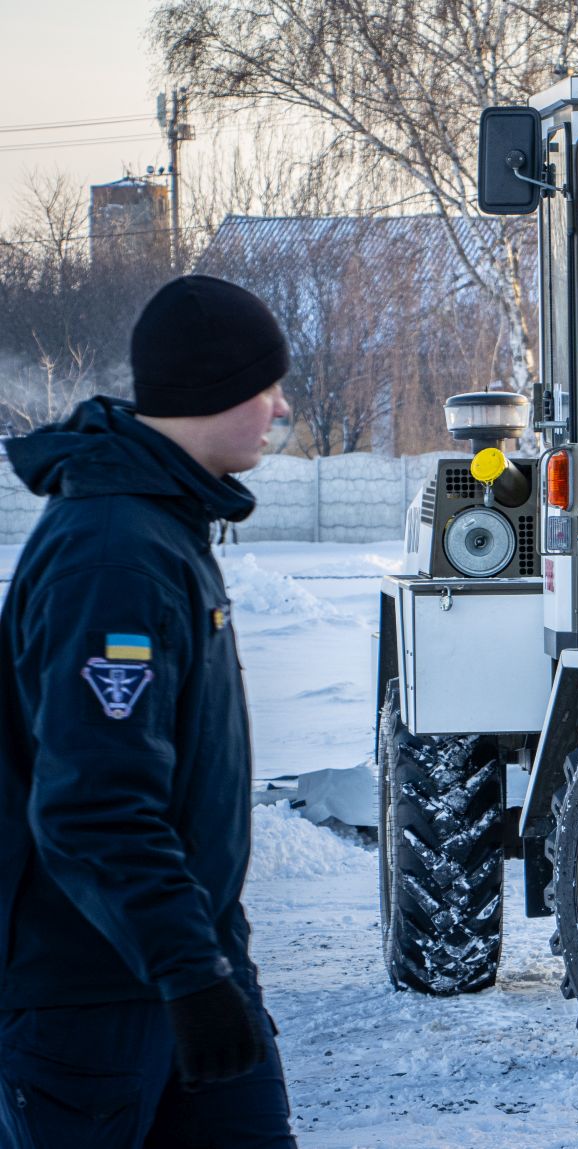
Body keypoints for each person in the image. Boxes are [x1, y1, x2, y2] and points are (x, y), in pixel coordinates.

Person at [0, 275, 297, 1148]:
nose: (280, 407)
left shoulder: (163, 527)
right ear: (214, 390)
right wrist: (190, 973)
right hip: (93, 1001)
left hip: (188, 970)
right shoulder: (114, 558)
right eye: (266, 386)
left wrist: (214, 964)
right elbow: (94, 806)